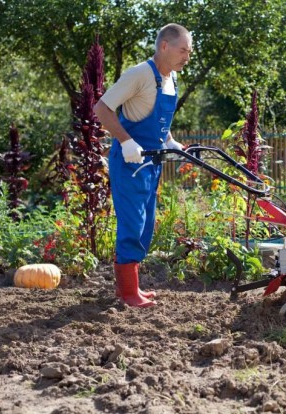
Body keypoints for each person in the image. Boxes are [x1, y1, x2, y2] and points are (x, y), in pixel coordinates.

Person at [94, 23, 192, 308]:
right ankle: (127, 293)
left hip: (152, 163)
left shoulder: (171, 78)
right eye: (183, 50)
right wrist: (125, 141)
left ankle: (131, 287)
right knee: (132, 223)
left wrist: (170, 141)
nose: (188, 56)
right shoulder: (139, 74)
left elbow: (161, 120)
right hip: (129, 163)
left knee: (146, 224)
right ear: (164, 46)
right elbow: (102, 108)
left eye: (189, 50)